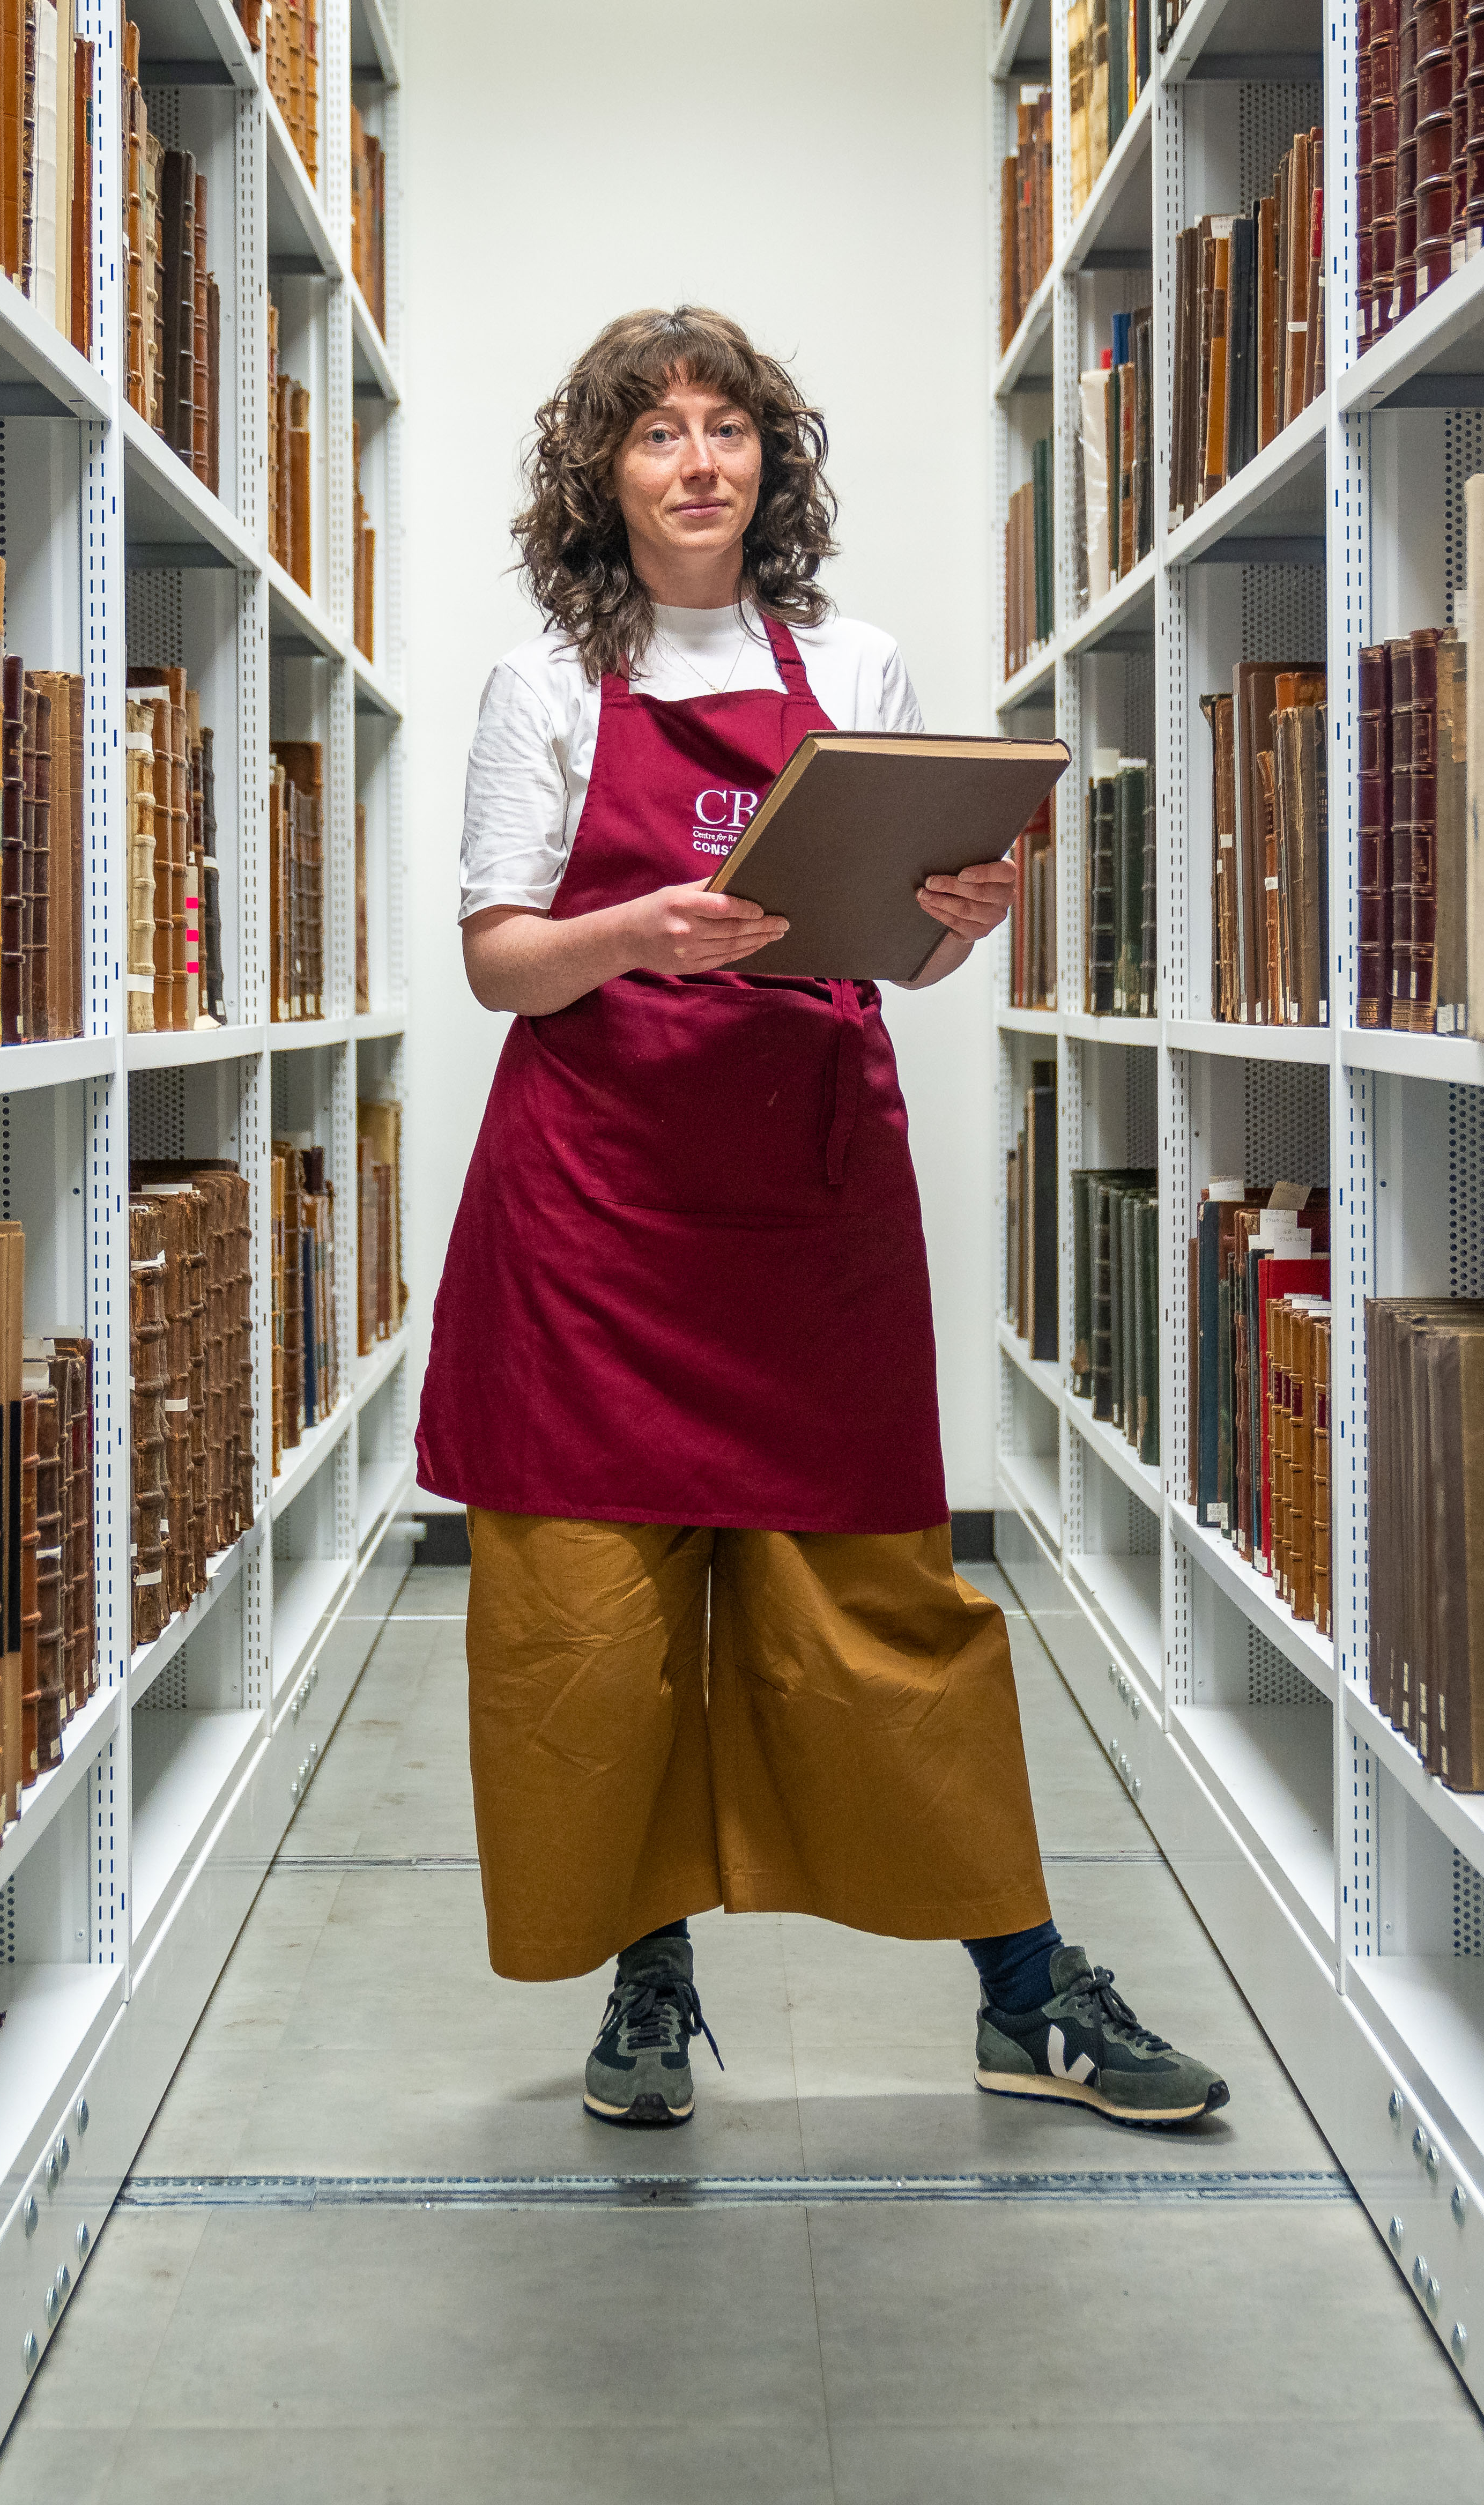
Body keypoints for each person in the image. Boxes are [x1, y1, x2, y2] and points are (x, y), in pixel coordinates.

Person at [415, 304, 1229, 2132]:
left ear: (771, 464)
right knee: (596, 1629)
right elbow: (497, 968)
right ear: (602, 476)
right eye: (657, 434)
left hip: (807, 1199)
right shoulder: (546, 679)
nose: (698, 459)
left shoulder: (854, 662)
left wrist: (969, 910)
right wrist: (639, 931)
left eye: (729, 428)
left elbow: (909, 953)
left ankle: (1026, 1993)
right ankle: (648, 1980)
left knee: (884, 1604)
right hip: (597, 1216)